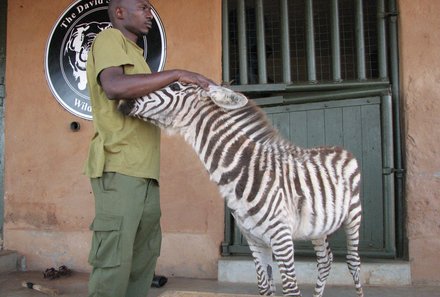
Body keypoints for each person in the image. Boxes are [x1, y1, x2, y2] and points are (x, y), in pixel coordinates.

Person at [84, 0, 215, 296]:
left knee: (143, 260)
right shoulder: (109, 39)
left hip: (146, 173)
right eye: (142, 7)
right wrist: (177, 73)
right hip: (119, 167)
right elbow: (114, 87)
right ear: (119, 12)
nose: (149, 13)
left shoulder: (138, 58)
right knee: (114, 261)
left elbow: (147, 110)